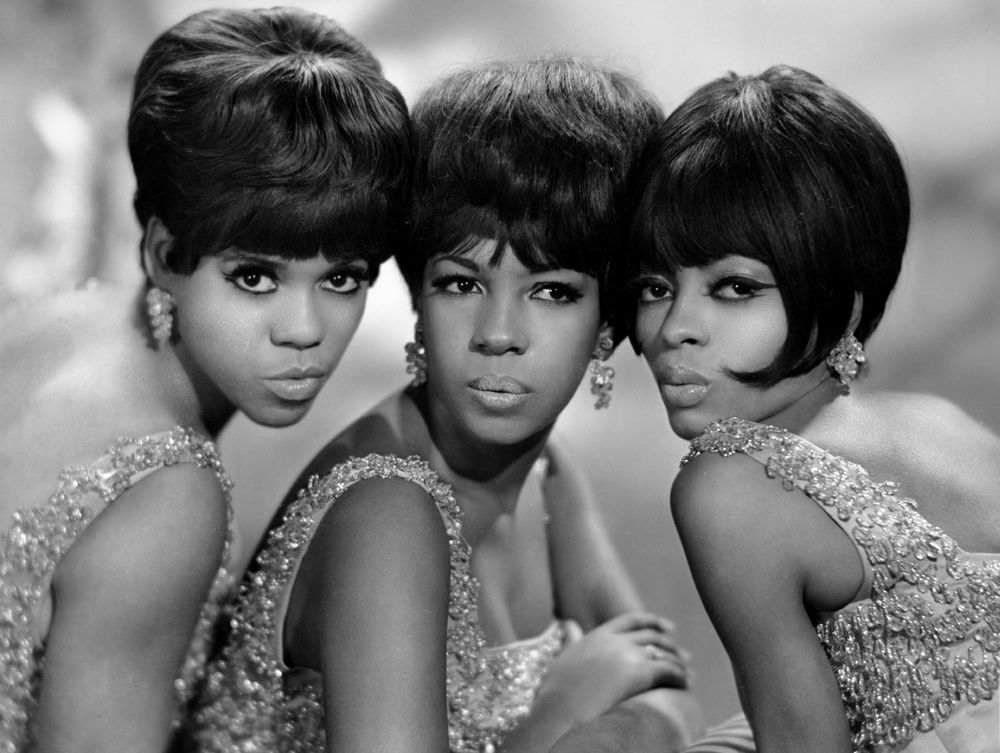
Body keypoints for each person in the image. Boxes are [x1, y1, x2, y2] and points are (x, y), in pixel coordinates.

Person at [190, 56, 701, 753]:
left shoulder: (548, 480)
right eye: (461, 283)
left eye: (551, 291)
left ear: (609, 319)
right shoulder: (387, 511)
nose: (497, 335)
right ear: (418, 299)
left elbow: (669, 691)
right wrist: (560, 712)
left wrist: (619, 724)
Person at [0, 7, 411, 752]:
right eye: (255, 276)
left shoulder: (53, 322)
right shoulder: (165, 490)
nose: (305, 328)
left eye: (344, 278)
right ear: (163, 252)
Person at [621, 64, 1000, 752]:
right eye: (654, 285)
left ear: (844, 297)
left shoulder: (729, 483)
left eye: (733, 286)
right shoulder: (943, 422)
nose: (675, 326)